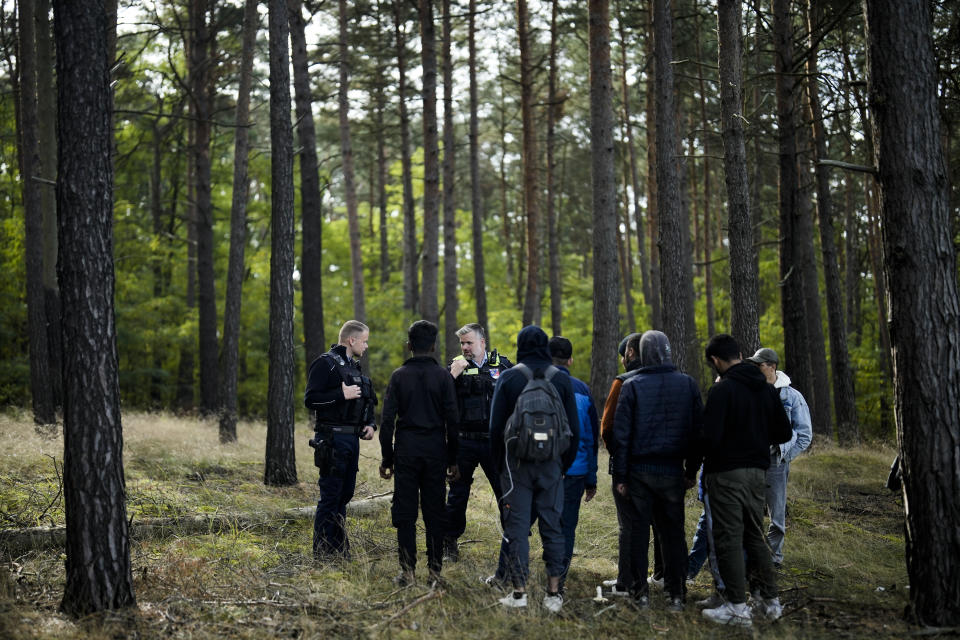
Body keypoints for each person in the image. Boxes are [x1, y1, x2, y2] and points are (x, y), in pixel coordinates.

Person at [698, 334, 792, 627]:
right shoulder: (766, 390)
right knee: (755, 536)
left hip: (726, 474)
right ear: (740, 354)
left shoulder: (723, 391)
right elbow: (784, 434)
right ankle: (770, 601)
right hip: (758, 474)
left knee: (728, 538)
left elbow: (709, 438)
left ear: (715, 361)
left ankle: (737, 607)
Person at [489, 325, 580, 612]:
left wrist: (500, 468)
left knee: (517, 529)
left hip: (516, 468)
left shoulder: (509, 378)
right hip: (552, 466)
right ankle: (553, 593)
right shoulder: (562, 380)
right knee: (554, 527)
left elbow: (494, 430)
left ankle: (519, 594)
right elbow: (573, 432)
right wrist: (561, 466)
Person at [611, 330, 702, 611]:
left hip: (639, 472)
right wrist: (691, 470)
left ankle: (641, 594)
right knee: (673, 535)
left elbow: (621, 437)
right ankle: (677, 594)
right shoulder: (687, 384)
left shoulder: (633, 385)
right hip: (672, 472)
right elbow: (697, 432)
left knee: (638, 535)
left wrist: (622, 476)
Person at [379, 320, 460, 586]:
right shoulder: (444, 377)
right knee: (435, 511)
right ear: (434, 346)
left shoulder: (399, 376)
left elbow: (387, 422)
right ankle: (435, 574)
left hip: (407, 451)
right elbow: (453, 421)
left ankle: (408, 572)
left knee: (405, 511)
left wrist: (387, 458)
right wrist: (453, 459)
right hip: (436, 451)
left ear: (409, 345)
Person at [304, 320, 377, 559]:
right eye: (364, 341)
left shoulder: (353, 367)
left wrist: (369, 425)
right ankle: (322, 552)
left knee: (345, 495)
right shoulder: (325, 364)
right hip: (331, 439)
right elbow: (311, 399)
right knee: (331, 496)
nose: (366, 346)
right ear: (351, 340)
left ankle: (338, 549)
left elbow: (364, 402)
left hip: (351, 440)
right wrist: (339, 395)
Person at [442, 323, 512, 569]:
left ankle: (513, 540)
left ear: (483, 342)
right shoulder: (455, 366)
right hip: (464, 441)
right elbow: (440, 398)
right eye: (462, 344)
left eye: (469, 343)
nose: (465, 348)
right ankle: (449, 542)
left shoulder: (502, 366)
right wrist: (452, 374)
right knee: (457, 493)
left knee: (506, 491)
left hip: (495, 442)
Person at [746, 347, 813, 568]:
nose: (755, 368)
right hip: (752, 460)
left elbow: (804, 434)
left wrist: (786, 457)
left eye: (759, 365)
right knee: (750, 509)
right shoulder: (750, 392)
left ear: (772, 367)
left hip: (776, 461)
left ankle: (774, 558)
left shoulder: (791, 396)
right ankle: (752, 556)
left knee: (776, 514)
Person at [547, 336, 600, 593]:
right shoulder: (582, 389)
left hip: (541, 468)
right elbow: (590, 437)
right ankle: (559, 578)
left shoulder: (535, 383)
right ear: (570, 360)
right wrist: (591, 478)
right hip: (575, 472)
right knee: (566, 526)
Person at [598, 333, 646, 597]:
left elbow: (607, 427)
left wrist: (617, 453)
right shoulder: (674, 379)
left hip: (628, 466)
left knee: (628, 525)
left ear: (629, 352)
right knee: (663, 525)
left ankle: (625, 582)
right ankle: (668, 581)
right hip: (665, 467)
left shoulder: (623, 382)